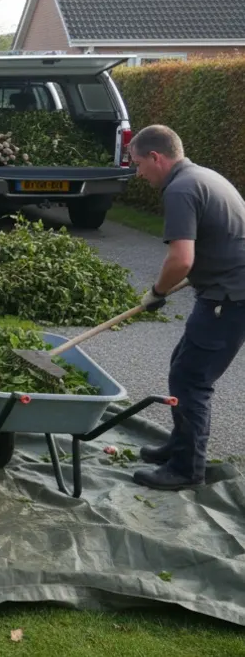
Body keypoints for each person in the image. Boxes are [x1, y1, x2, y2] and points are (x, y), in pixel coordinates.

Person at [129, 124, 245, 490]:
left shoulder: (180, 189)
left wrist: (157, 292)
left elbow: (181, 260)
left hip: (230, 297)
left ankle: (186, 469)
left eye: (138, 164)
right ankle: (179, 447)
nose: (138, 173)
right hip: (226, 289)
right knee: (182, 364)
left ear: (156, 157)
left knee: (192, 380)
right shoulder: (204, 176)